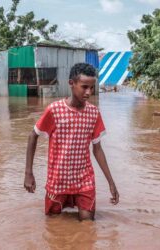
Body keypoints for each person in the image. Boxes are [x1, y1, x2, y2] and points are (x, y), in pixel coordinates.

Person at [24, 63, 119, 221]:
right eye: (84, 87)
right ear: (71, 83)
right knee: (54, 222)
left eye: (91, 87)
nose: (88, 92)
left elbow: (97, 149)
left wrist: (111, 182)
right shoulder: (55, 110)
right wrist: (28, 173)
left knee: (88, 223)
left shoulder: (94, 113)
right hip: (58, 178)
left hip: (84, 179)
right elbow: (33, 136)